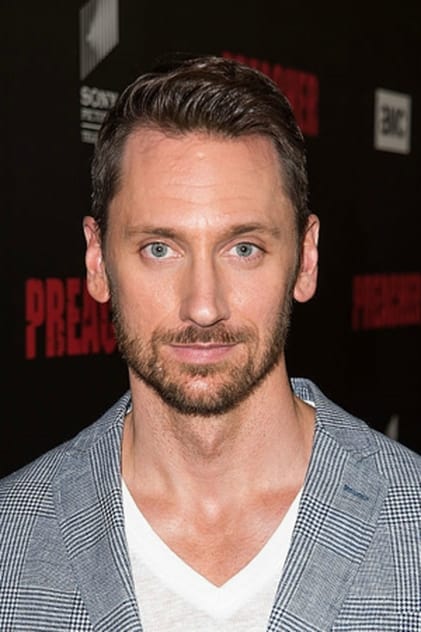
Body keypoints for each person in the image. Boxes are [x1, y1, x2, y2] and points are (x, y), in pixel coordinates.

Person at [1, 54, 420, 632]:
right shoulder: (12, 539)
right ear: (97, 261)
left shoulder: (412, 520)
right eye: (159, 249)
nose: (203, 306)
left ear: (306, 259)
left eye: (243, 249)